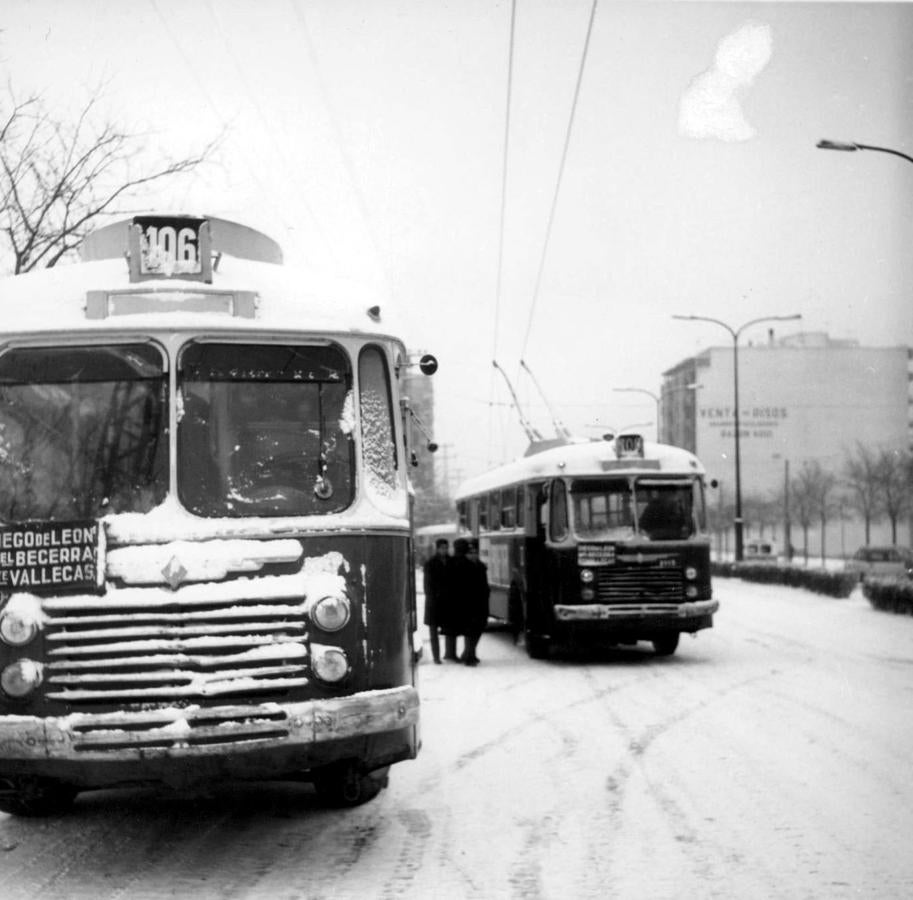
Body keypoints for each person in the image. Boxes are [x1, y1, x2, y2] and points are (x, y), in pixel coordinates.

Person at [422, 538, 451, 664]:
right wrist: (433, 596)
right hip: (434, 602)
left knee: (450, 629)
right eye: (442, 548)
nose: (444, 550)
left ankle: (450, 653)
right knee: (433, 632)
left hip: (447, 601)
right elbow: (427, 584)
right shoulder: (430, 563)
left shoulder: (451, 561)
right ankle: (436, 657)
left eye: (446, 548)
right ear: (437, 548)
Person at [462, 540, 490, 666]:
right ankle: (470, 656)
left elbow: (485, 585)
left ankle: (469, 653)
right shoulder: (463, 567)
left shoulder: (481, 567)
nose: (473, 555)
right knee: (470, 631)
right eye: (470, 553)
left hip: (481, 603)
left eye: (475, 552)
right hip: (468, 604)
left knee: (479, 628)